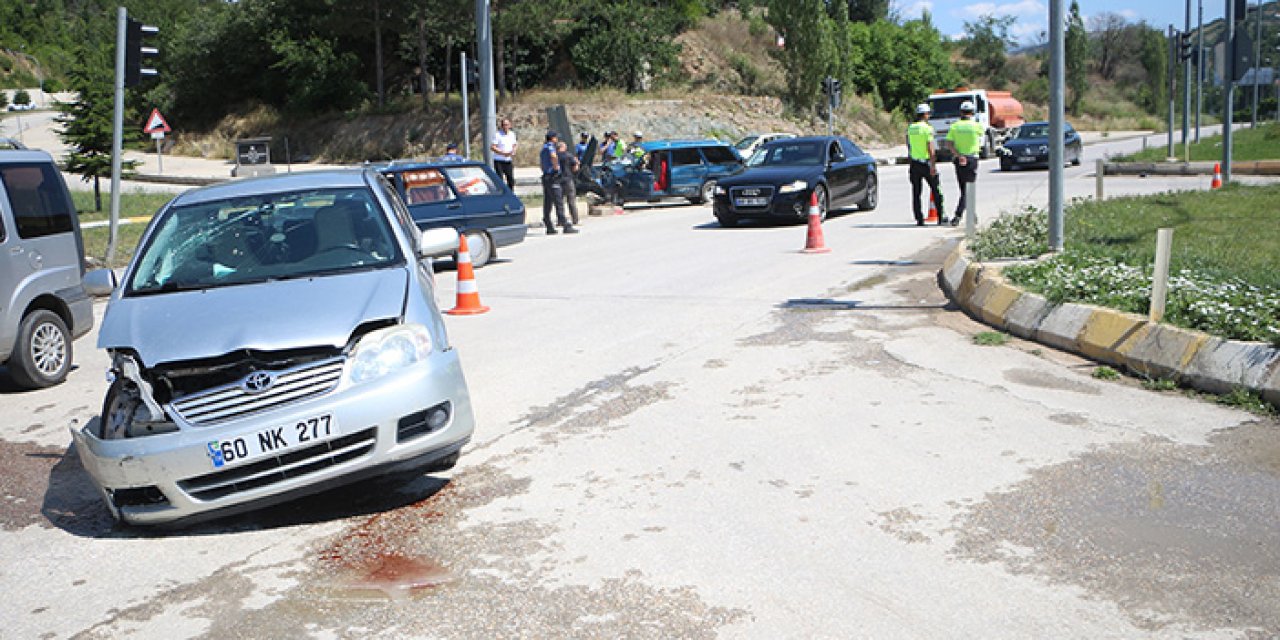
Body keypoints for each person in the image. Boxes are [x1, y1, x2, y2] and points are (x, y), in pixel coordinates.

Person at [944, 100, 985, 227]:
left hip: (959, 159)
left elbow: (949, 143)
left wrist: (958, 155)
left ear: (961, 112)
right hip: (972, 159)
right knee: (969, 190)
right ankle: (958, 215)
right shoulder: (976, 125)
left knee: (963, 188)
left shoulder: (955, 126)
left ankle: (971, 215)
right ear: (972, 112)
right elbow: (981, 135)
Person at [906, 104, 944, 227]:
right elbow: (931, 149)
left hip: (914, 163)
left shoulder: (911, 128)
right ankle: (940, 216)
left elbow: (909, 145)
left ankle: (919, 219)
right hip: (926, 163)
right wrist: (933, 165)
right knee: (936, 189)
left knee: (916, 192)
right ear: (926, 114)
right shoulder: (927, 129)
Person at [539, 131, 576, 234]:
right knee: (558, 201)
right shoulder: (550, 147)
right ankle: (565, 224)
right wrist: (556, 167)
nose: (557, 140)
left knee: (548, 201)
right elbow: (553, 156)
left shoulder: (543, 148)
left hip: (546, 177)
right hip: (553, 178)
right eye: (556, 138)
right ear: (552, 138)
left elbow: (542, 164)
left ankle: (548, 222)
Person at [557, 140, 582, 226]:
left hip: (558, 180)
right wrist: (577, 163)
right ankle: (575, 220)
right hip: (568, 180)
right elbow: (575, 168)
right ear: (564, 147)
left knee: (559, 202)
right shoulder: (568, 155)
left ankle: (560, 220)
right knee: (571, 201)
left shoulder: (554, 156)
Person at [491, 117, 517, 190]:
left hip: (508, 160)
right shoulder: (497, 135)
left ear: (510, 125)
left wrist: (514, 151)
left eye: (507, 125)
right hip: (499, 160)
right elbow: (493, 147)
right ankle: (501, 193)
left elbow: (514, 144)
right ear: (501, 126)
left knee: (510, 179)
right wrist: (502, 153)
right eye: (504, 125)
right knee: (500, 179)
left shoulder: (512, 134)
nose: (505, 126)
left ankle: (511, 194)